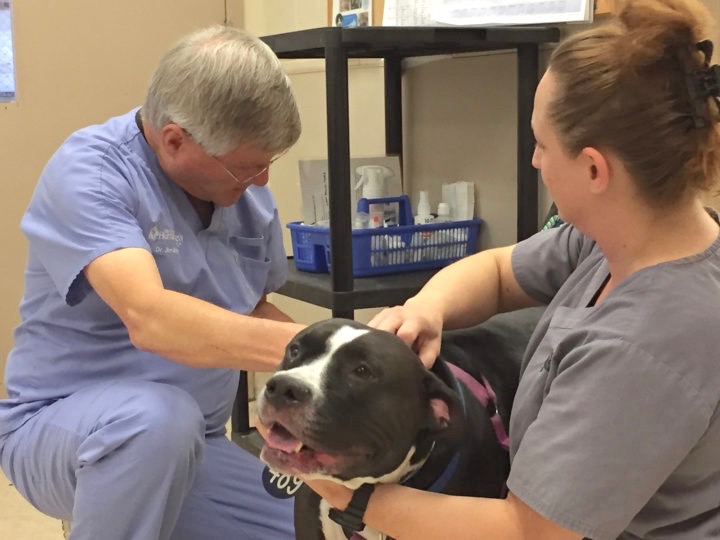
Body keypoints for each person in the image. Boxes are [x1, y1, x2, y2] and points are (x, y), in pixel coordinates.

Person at [284, 0, 720, 538]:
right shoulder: (623, 239)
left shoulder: (646, 345)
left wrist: (347, 495)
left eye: (540, 144)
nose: (534, 161)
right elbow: (495, 273)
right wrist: (426, 308)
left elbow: (530, 530)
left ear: (593, 168)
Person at [0, 25, 305, 540]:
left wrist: (342, 371)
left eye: (267, 164)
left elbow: (251, 310)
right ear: (174, 141)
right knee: (156, 424)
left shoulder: (246, 197)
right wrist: (333, 349)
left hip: (197, 443)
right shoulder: (93, 174)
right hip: (63, 432)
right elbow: (151, 319)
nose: (261, 182)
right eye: (245, 168)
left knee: (318, 524)